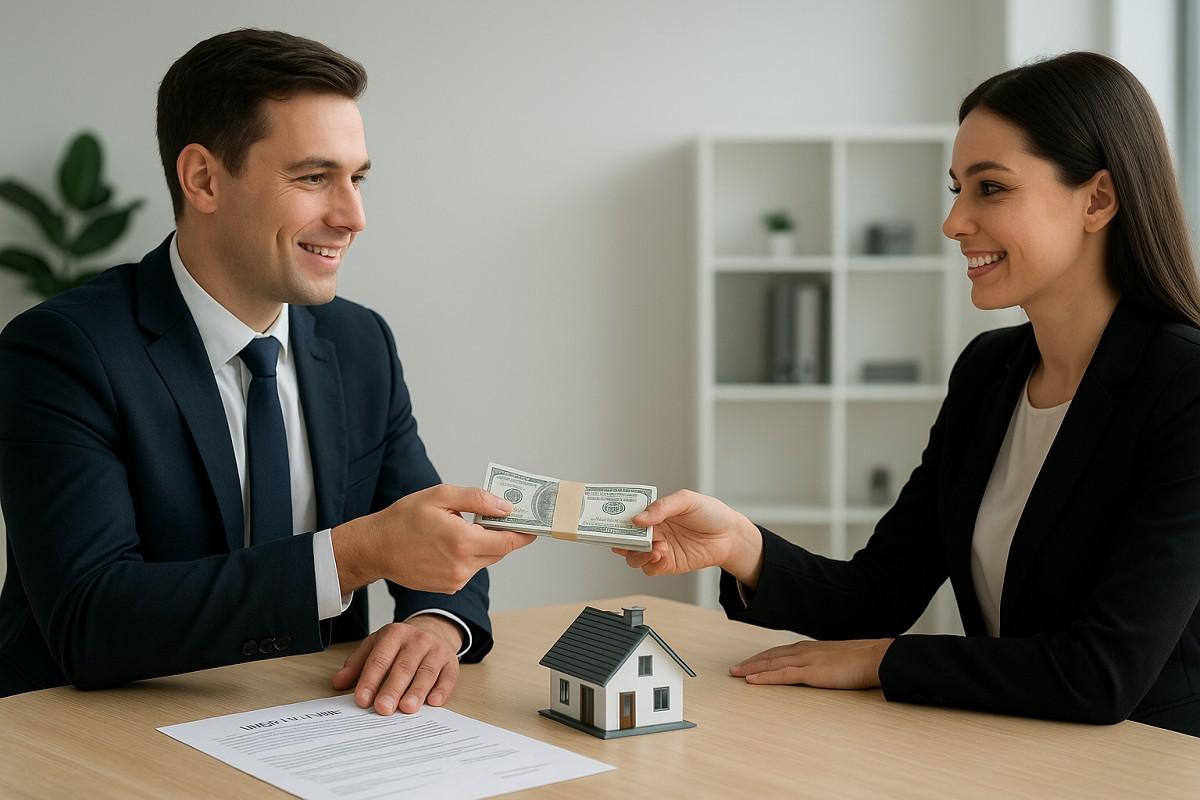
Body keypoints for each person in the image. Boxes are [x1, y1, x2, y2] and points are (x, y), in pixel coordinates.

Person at [615, 52, 1200, 736]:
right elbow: (878, 594)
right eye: (957, 189)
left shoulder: (1182, 386)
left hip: (1150, 764)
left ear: (1097, 199)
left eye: (990, 189)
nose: (954, 222)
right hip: (1012, 748)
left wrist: (881, 662)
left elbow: (1101, 675)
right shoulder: (989, 372)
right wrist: (740, 544)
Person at [0, 29, 533, 715]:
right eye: (314, 177)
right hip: (97, 735)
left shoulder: (359, 340)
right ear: (203, 180)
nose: (353, 216)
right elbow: (90, 619)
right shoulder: (61, 350)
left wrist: (435, 623)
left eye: (357, 177)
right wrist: (350, 556)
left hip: (313, 721)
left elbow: (425, 526)